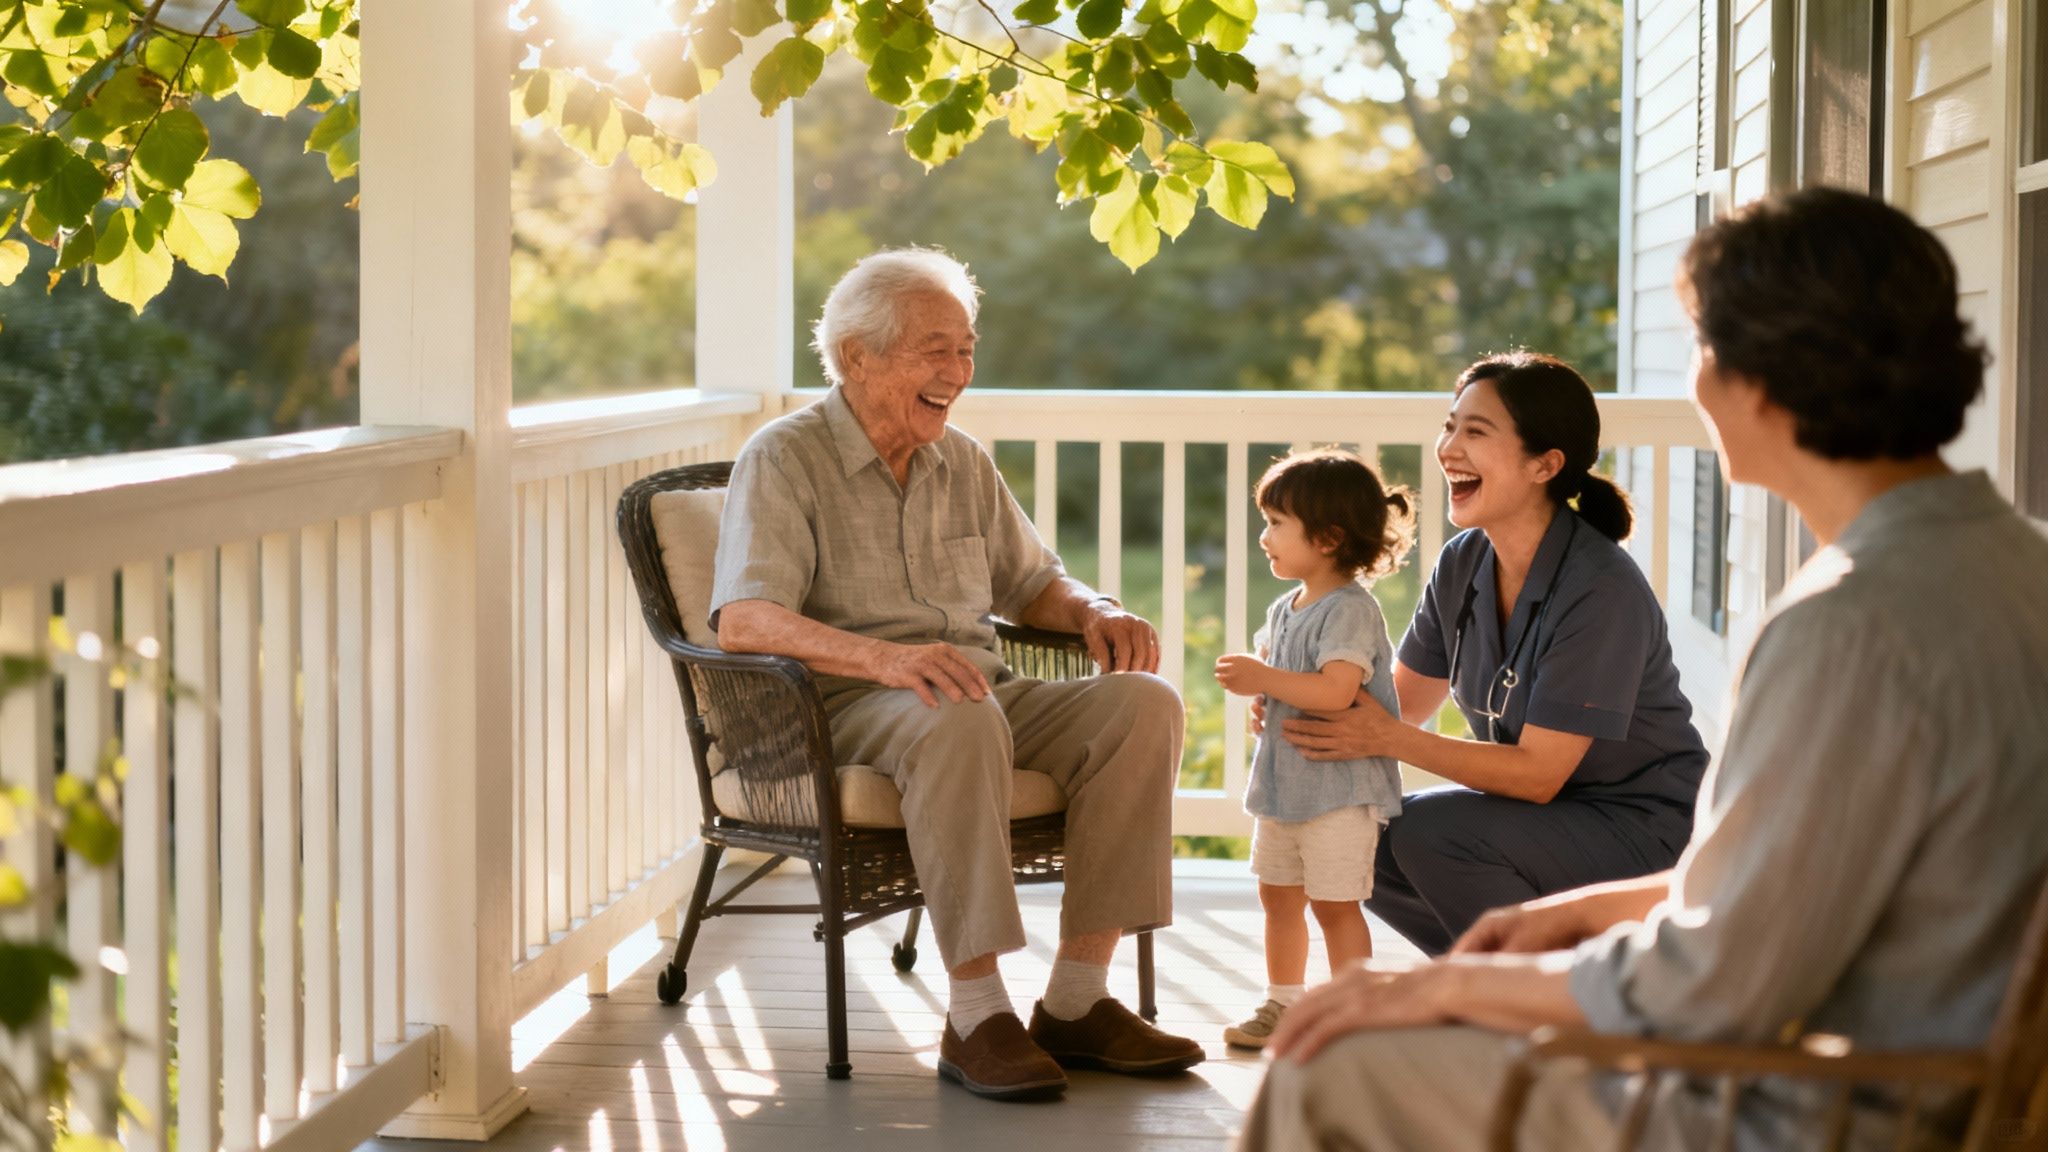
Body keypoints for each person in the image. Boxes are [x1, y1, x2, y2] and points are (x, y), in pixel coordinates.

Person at [1238, 187, 2048, 1151]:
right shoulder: (2016, 565)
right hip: (1905, 1066)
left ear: (1762, 379)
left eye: (1704, 349)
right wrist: (1577, 918)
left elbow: (1716, 981)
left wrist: (1450, 982)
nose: (1696, 384)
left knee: (1329, 1065)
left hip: (1815, 1100)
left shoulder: (1849, 624)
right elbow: (1793, 890)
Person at [710, 247, 1203, 1102]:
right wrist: (888, 659)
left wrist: (1093, 609)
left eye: (967, 348)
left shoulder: (961, 460)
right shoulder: (784, 458)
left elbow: (1033, 582)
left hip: (978, 688)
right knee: (959, 711)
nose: (958, 371)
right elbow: (745, 619)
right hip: (847, 702)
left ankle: (1078, 1001)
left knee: (1143, 704)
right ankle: (976, 1014)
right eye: (935, 349)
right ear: (858, 357)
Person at [1274, 351, 1710, 955]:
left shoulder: (1599, 587)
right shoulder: (1464, 561)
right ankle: (1499, 977)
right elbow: (1395, 705)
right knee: (1363, 833)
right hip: (1553, 822)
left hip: (1646, 832)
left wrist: (1385, 738)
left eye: (1475, 431)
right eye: (1449, 425)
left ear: (1545, 464)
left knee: (1431, 832)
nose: (1449, 447)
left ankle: (1543, 988)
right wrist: (1302, 712)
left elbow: (1535, 774)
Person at [1212, 449, 1415, 1050]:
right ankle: (1283, 1002)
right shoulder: (1286, 607)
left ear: (1327, 539)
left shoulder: (1350, 609)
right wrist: (1266, 703)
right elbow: (1294, 683)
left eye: (1277, 523)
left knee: (1333, 906)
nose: (1264, 535)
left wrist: (1264, 680)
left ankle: (1356, 1011)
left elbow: (1335, 690)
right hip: (1286, 788)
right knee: (1277, 897)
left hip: (1338, 792)